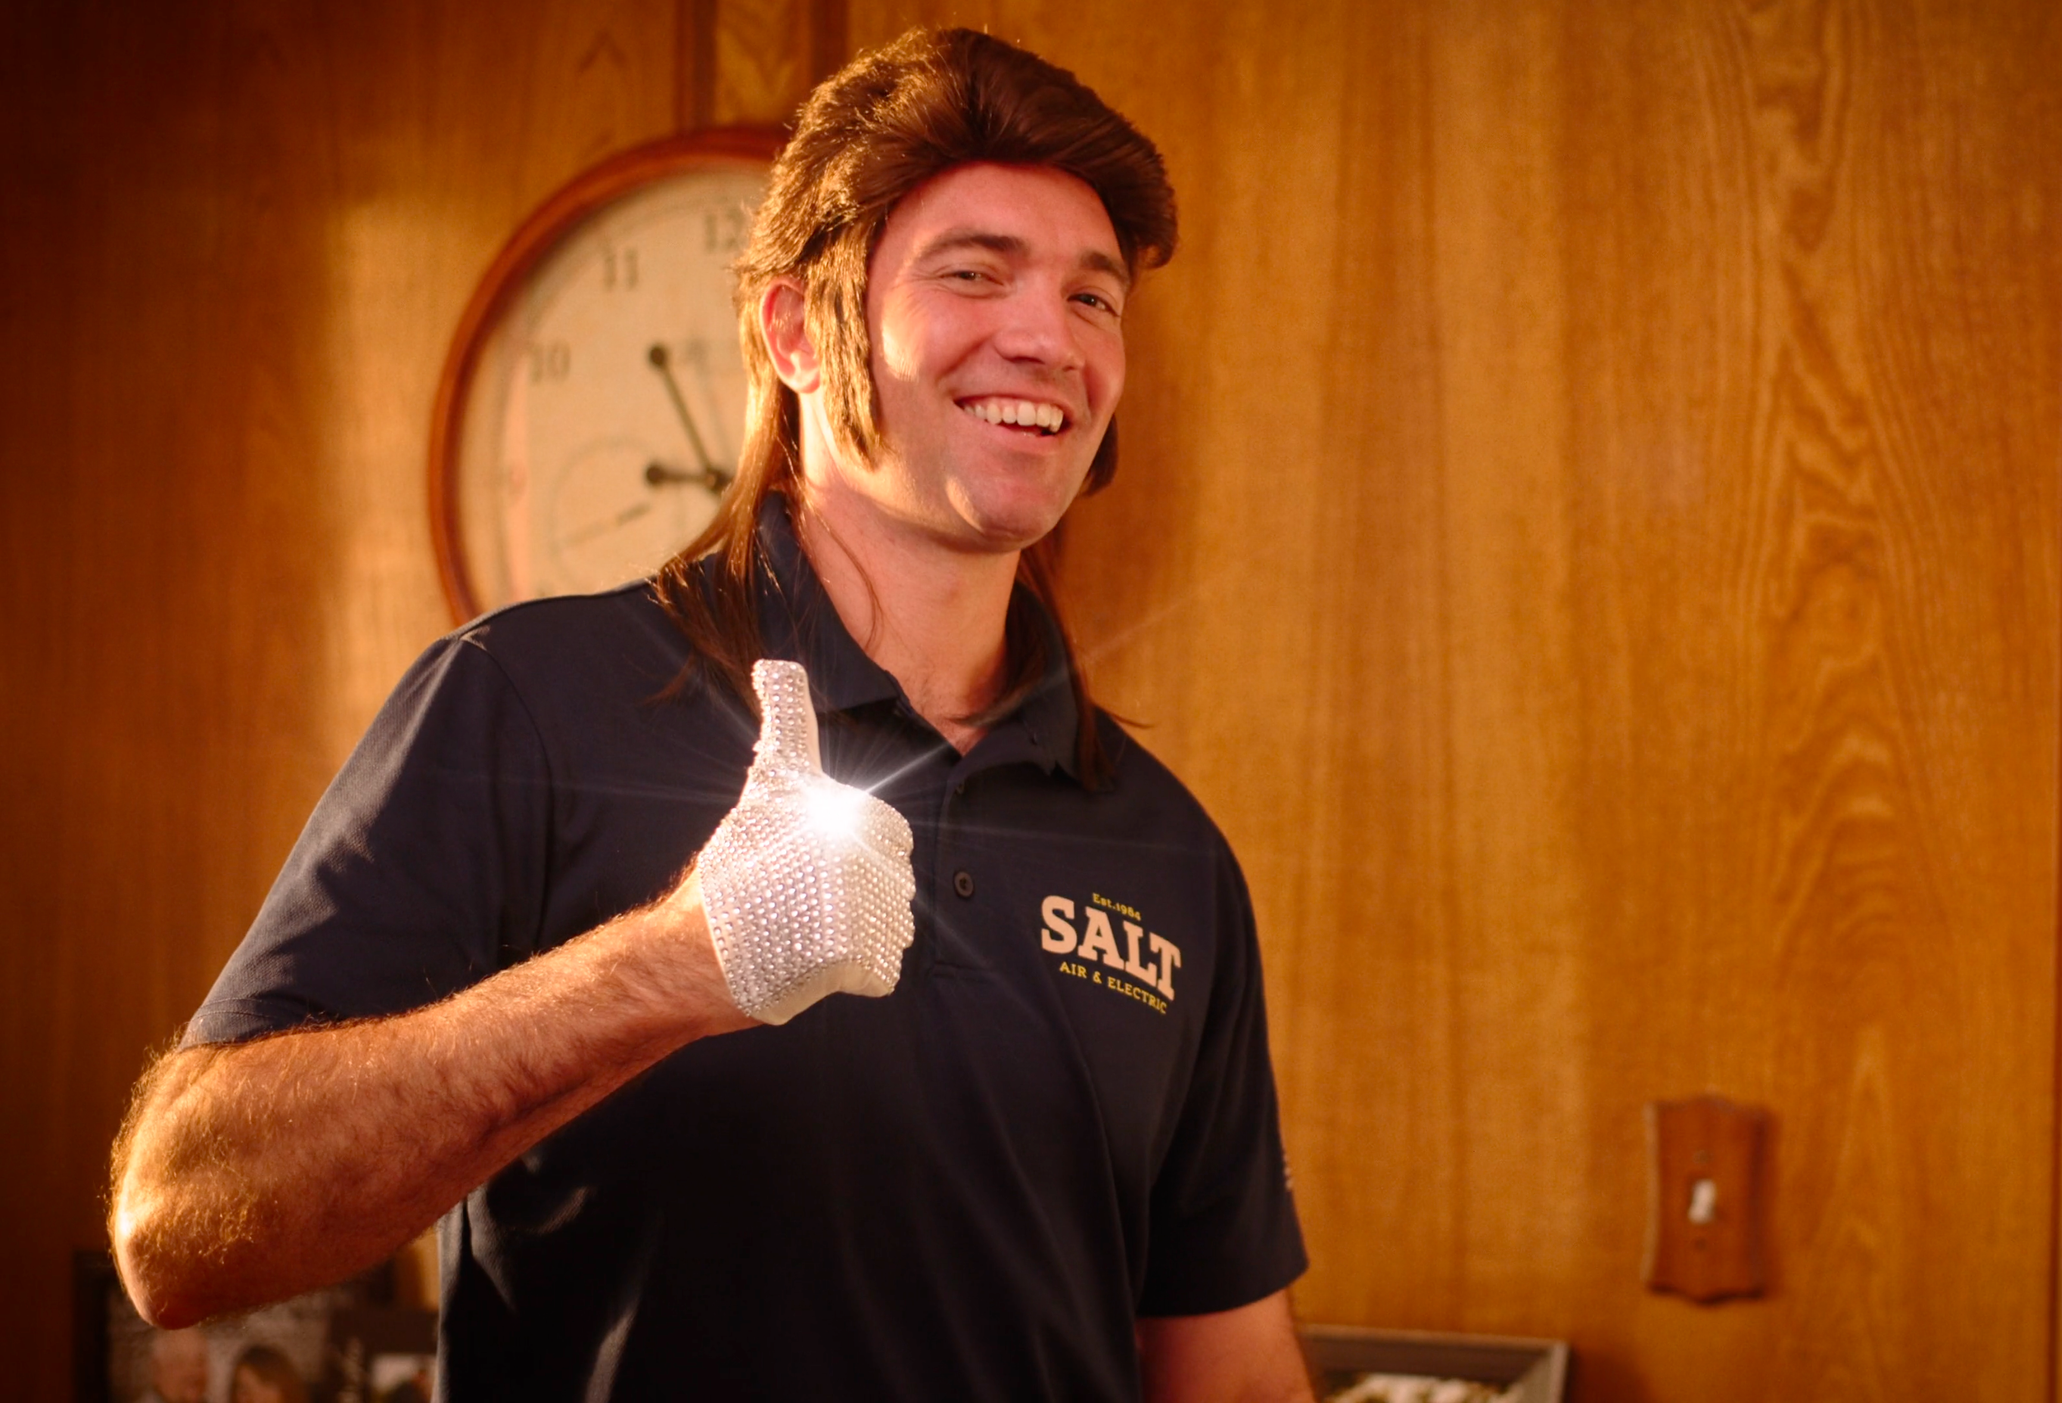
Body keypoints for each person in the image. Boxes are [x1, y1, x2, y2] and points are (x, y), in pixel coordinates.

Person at [107, 28, 1310, 1402]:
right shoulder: (531, 705)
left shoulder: (1170, 853)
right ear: (799, 331)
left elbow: (1225, 1364)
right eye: (972, 272)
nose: (1048, 335)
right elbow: (178, 1225)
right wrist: (671, 967)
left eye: (1095, 299)